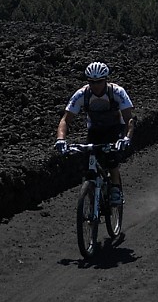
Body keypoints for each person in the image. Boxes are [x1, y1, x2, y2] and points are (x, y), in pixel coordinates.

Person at [54, 61, 136, 206]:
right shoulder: (82, 94)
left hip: (115, 127)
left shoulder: (117, 92)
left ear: (106, 80)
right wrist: (61, 139)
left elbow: (129, 118)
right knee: (87, 162)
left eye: (99, 81)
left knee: (111, 157)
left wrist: (126, 137)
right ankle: (92, 198)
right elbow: (65, 120)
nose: (95, 85)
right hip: (95, 129)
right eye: (92, 82)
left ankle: (116, 188)